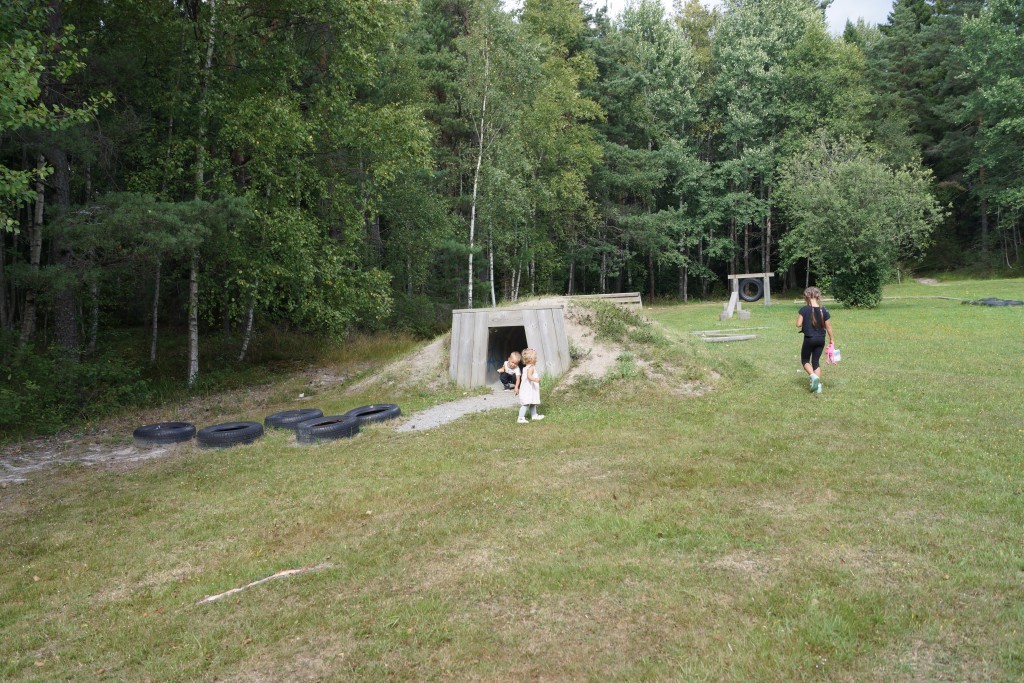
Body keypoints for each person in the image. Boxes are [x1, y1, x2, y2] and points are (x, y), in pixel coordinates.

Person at [796, 286, 835, 394]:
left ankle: (813, 376)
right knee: (816, 362)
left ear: (806, 297)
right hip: (821, 340)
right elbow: (829, 327)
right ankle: (818, 387)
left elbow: (798, 324)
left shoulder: (804, 309)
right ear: (818, 296)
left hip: (809, 339)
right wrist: (832, 339)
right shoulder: (824, 310)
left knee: (805, 360)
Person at [516, 348, 545, 423]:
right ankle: (520, 418)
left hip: (529, 388)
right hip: (528, 389)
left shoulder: (526, 367)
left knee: (532, 402)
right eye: (535, 358)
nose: (536, 360)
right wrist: (535, 379)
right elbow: (529, 376)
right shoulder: (531, 368)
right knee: (525, 403)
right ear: (532, 359)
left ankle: (534, 415)